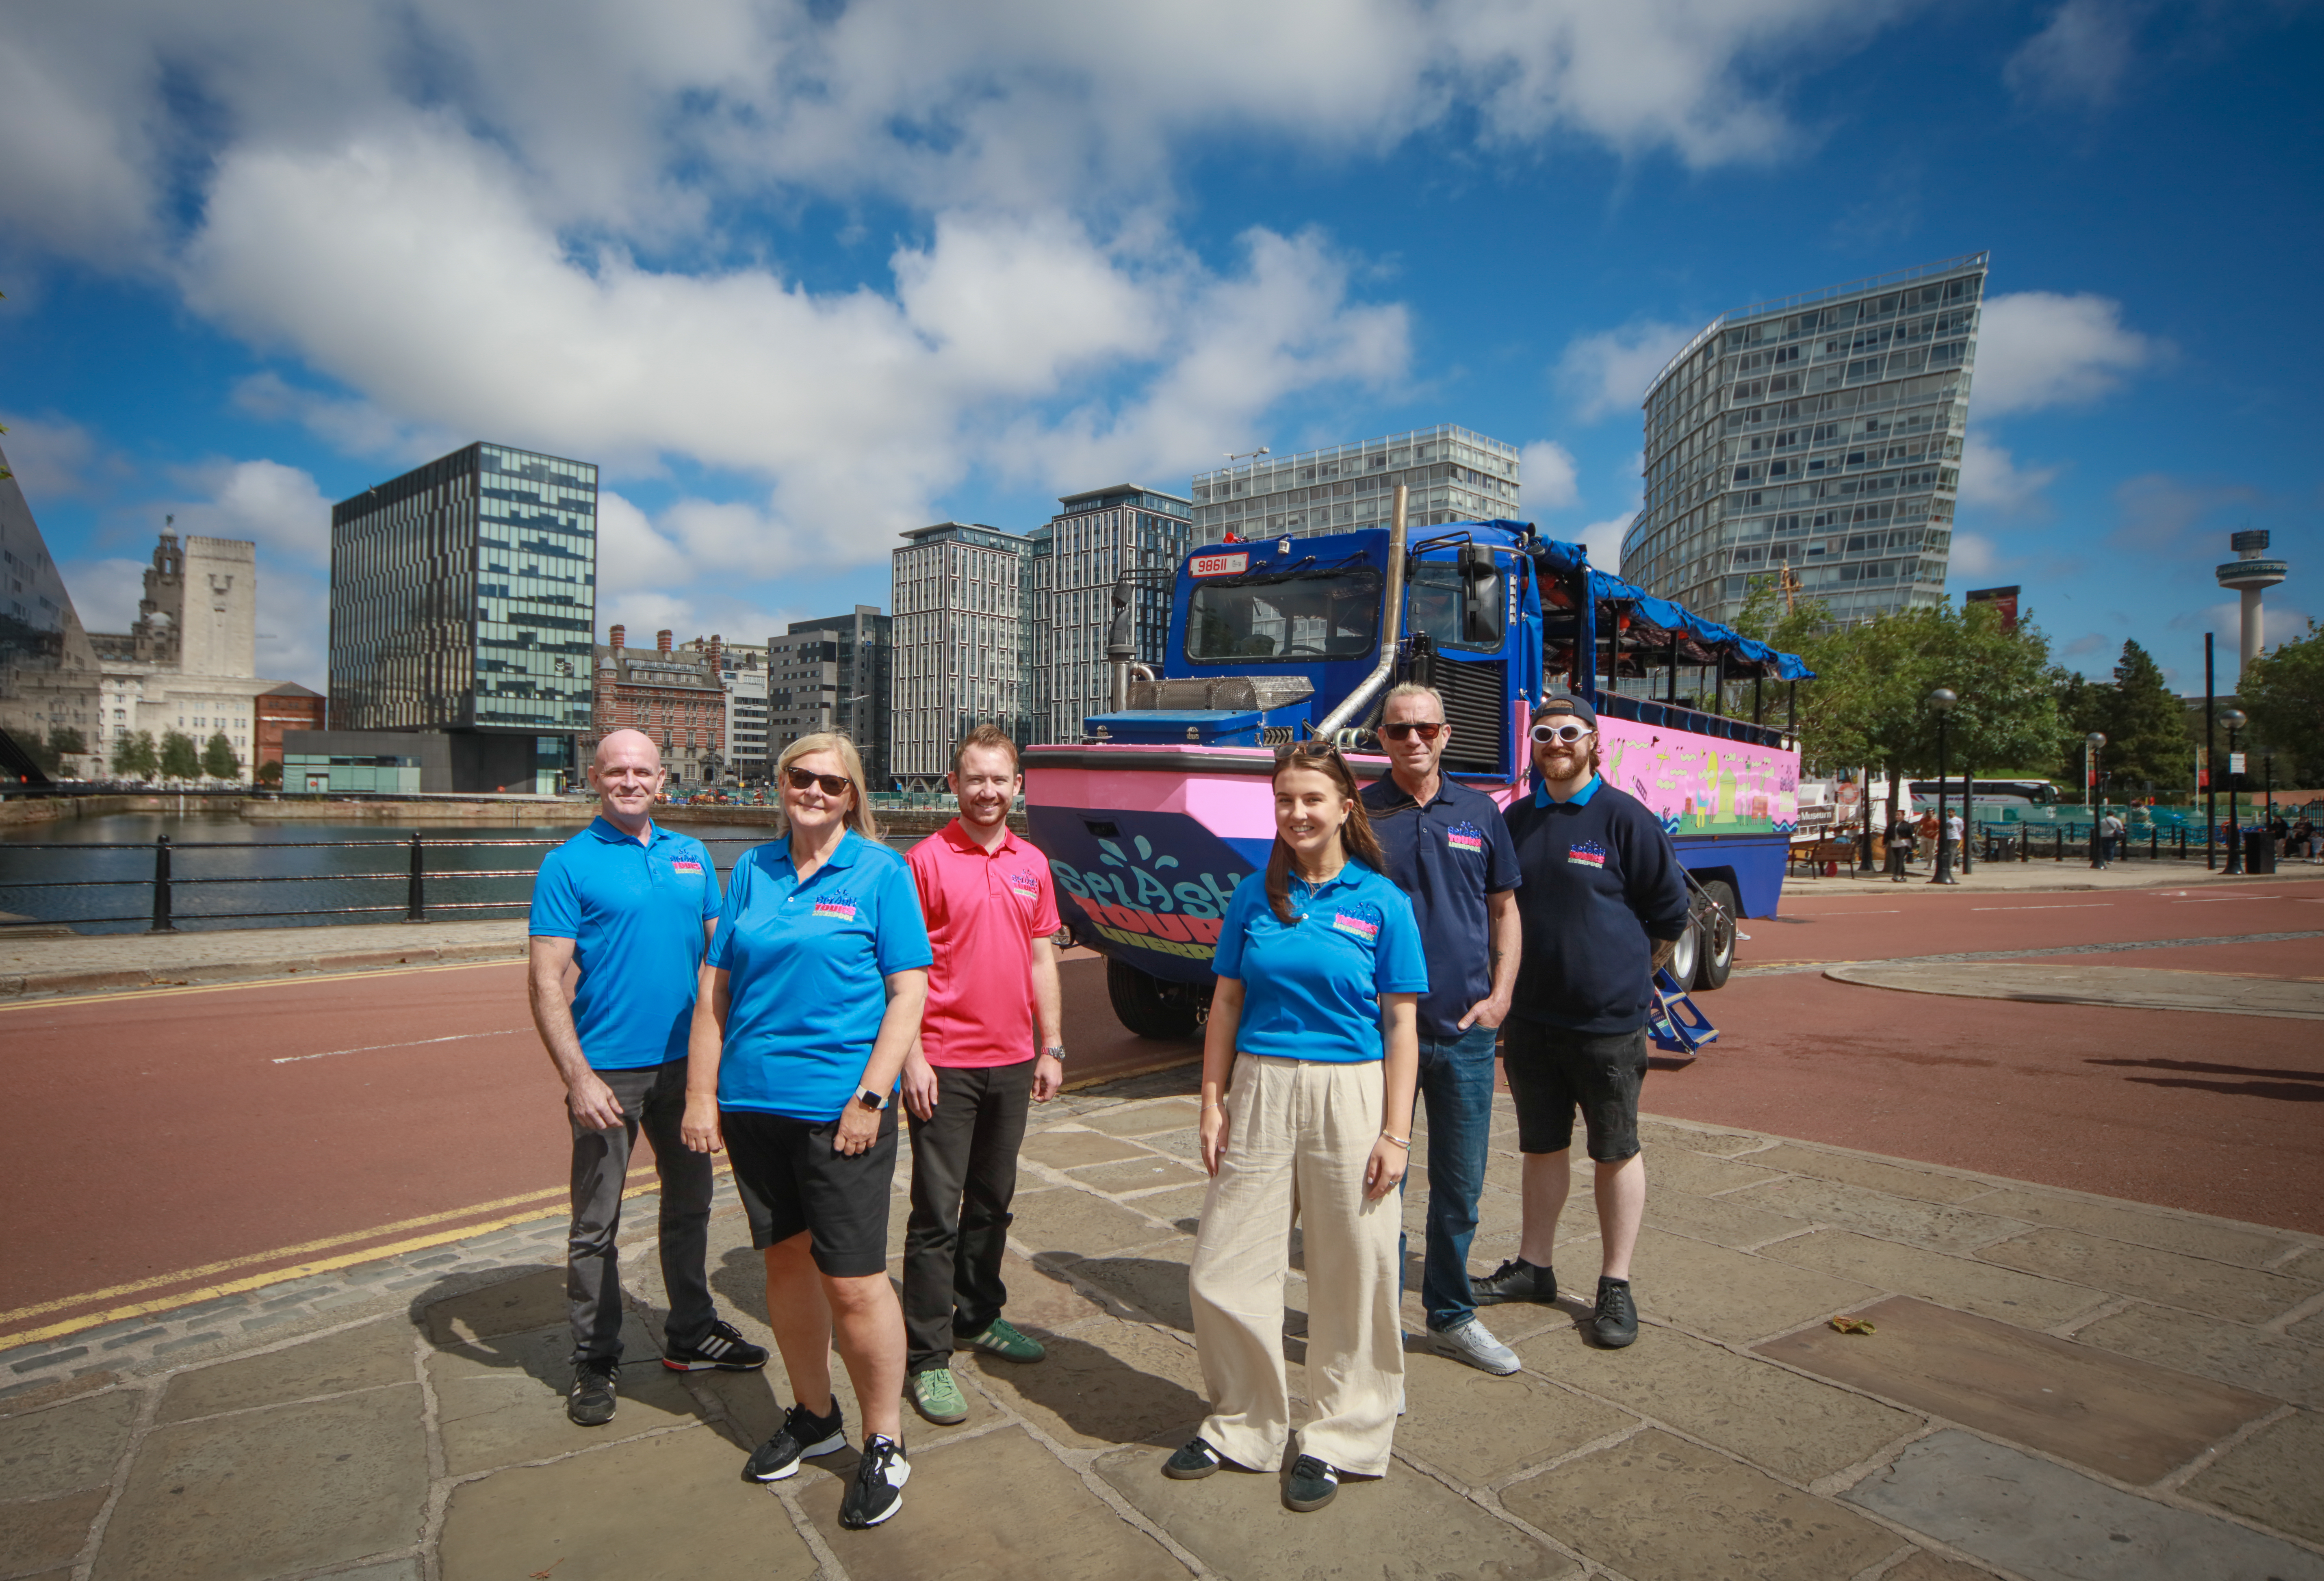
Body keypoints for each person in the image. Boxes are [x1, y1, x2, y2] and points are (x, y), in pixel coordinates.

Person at [1166, 741, 1425, 1513]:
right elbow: (1228, 1006)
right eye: (1286, 801)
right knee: (1223, 1265)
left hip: (1352, 1092)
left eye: (1313, 799)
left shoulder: (1382, 901)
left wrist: (1396, 1132)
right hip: (1261, 1088)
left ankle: (1342, 1435)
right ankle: (1244, 1423)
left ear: (1346, 806)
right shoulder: (1255, 895)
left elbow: (1402, 1025)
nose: (1298, 813)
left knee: (1356, 1271)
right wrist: (1212, 1102)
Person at [681, 733, 932, 1530]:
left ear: (853, 795)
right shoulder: (754, 869)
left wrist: (870, 1095)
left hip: (840, 1111)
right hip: (755, 1106)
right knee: (785, 1261)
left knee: (855, 1280)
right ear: (780, 782)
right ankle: (814, 1413)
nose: (814, 790)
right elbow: (715, 990)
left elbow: (907, 992)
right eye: (800, 776)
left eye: (830, 781)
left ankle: (884, 1438)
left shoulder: (882, 874)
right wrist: (699, 1093)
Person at [528, 729, 769, 1429]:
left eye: (642, 771)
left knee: (690, 1205)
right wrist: (577, 1077)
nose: (630, 782)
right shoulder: (567, 865)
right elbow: (546, 981)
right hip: (607, 1072)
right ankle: (595, 1356)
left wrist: (720, 1064)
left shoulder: (692, 856)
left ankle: (690, 1331)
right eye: (616, 772)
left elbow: (720, 965)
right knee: (595, 1222)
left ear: (662, 780)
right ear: (595, 779)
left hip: (685, 1070)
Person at [1474, 696, 1688, 1349]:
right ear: (1532, 745)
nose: (1557, 742)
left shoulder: (1625, 818)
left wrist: (1627, 983)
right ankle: (1534, 1266)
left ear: (1594, 743)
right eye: (1544, 733)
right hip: (1533, 1019)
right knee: (1541, 1146)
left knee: (1615, 1148)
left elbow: (1668, 916)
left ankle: (1615, 1283)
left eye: (1570, 732)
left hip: (1608, 1025)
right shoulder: (1514, 820)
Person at [897, 725, 1066, 1425]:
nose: (988, 791)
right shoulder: (924, 862)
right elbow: (902, 972)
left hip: (1013, 1059)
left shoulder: (1033, 862)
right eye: (976, 779)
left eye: (1000, 779)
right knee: (937, 1211)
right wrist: (910, 1058)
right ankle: (928, 1356)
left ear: (1017, 785)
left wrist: (1051, 1046)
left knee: (994, 1202)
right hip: (944, 1060)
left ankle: (979, 1315)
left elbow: (1040, 960)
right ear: (954, 782)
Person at [1358, 683, 1523, 1375]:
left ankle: (1452, 1315)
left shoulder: (1481, 812)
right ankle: (1375, 1325)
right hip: (1376, 1036)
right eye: (1399, 731)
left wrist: (1500, 998)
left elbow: (1505, 909)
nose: (1414, 740)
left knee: (1460, 1185)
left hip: (1465, 1034)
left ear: (1447, 734)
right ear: (1382, 739)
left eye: (1426, 728)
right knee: (1375, 1186)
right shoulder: (1359, 815)